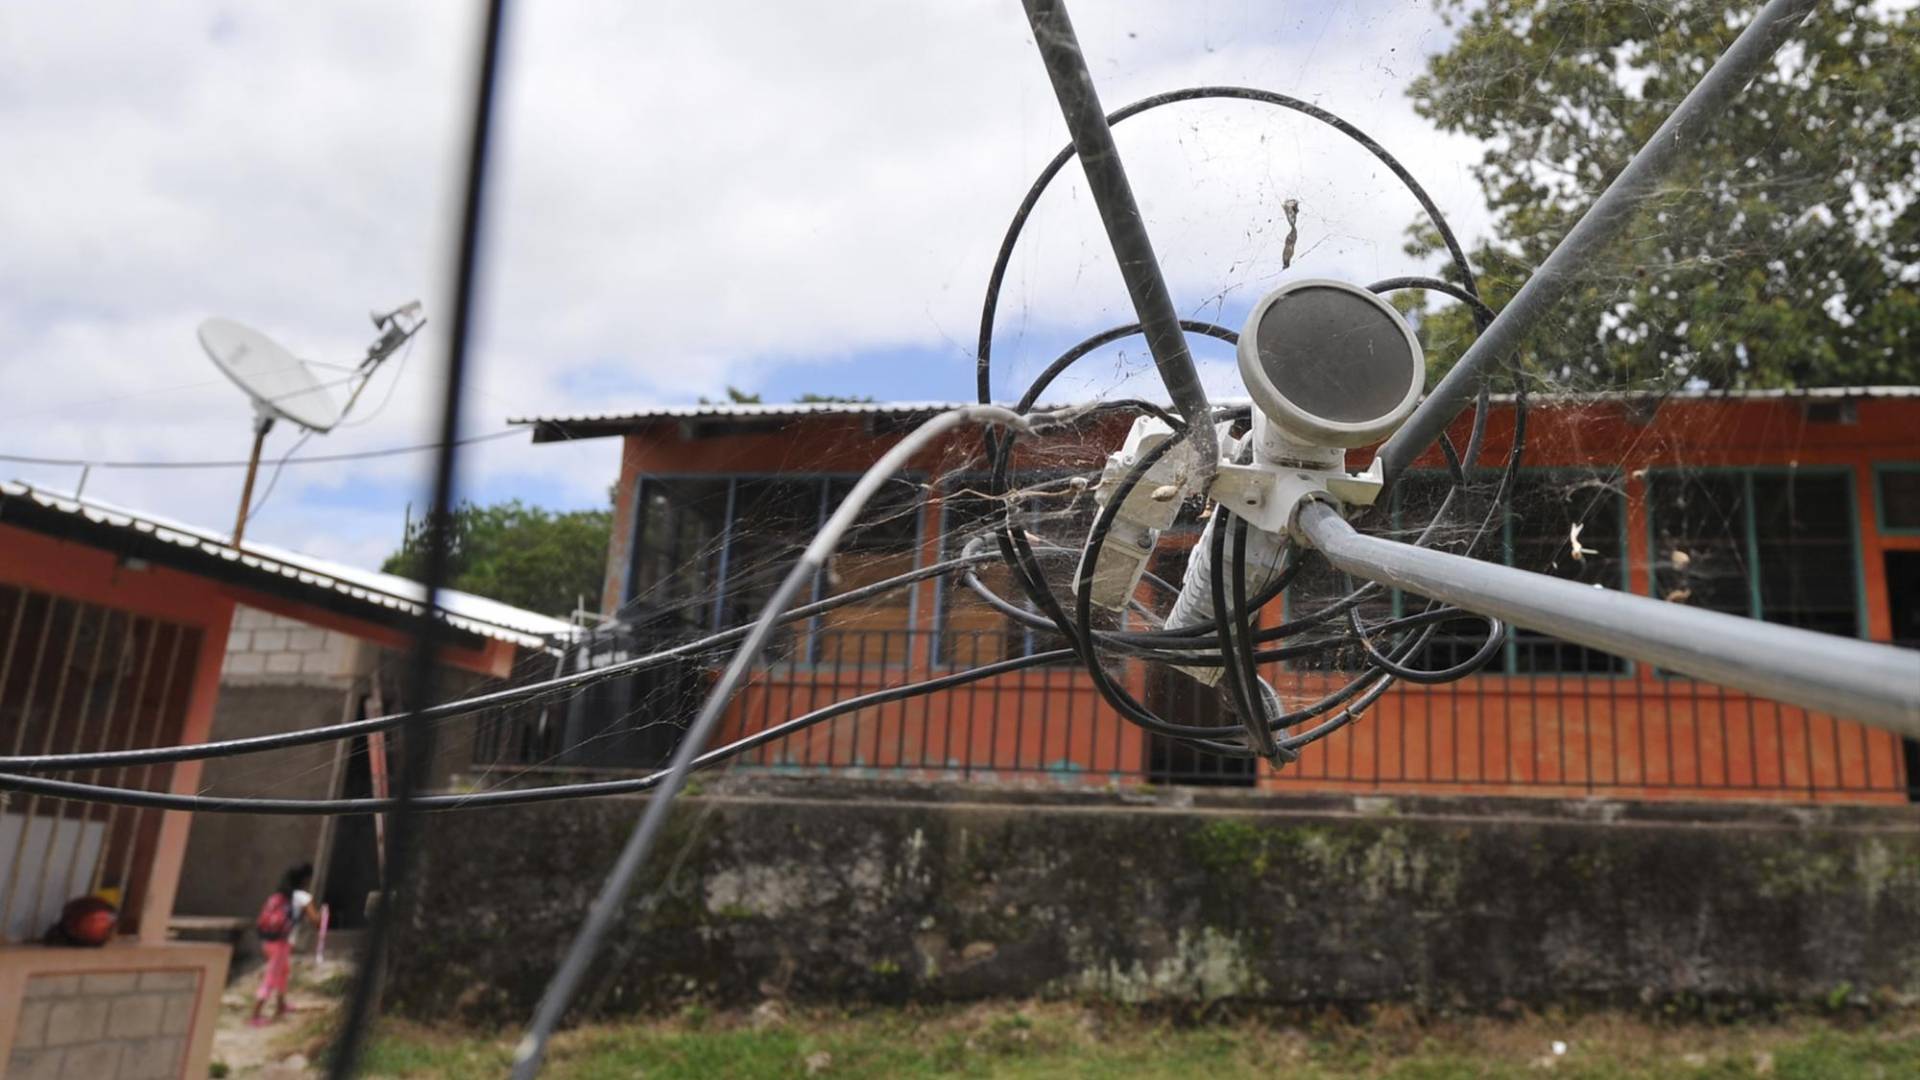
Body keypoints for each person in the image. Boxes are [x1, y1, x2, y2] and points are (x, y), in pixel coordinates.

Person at [251, 863, 321, 1026]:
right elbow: (315, 921)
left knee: (283, 971)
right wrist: (322, 916)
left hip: (268, 940)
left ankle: (281, 1004)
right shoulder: (303, 897)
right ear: (305, 880)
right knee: (271, 976)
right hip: (281, 943)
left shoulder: (278, 896)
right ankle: (255, 1014)